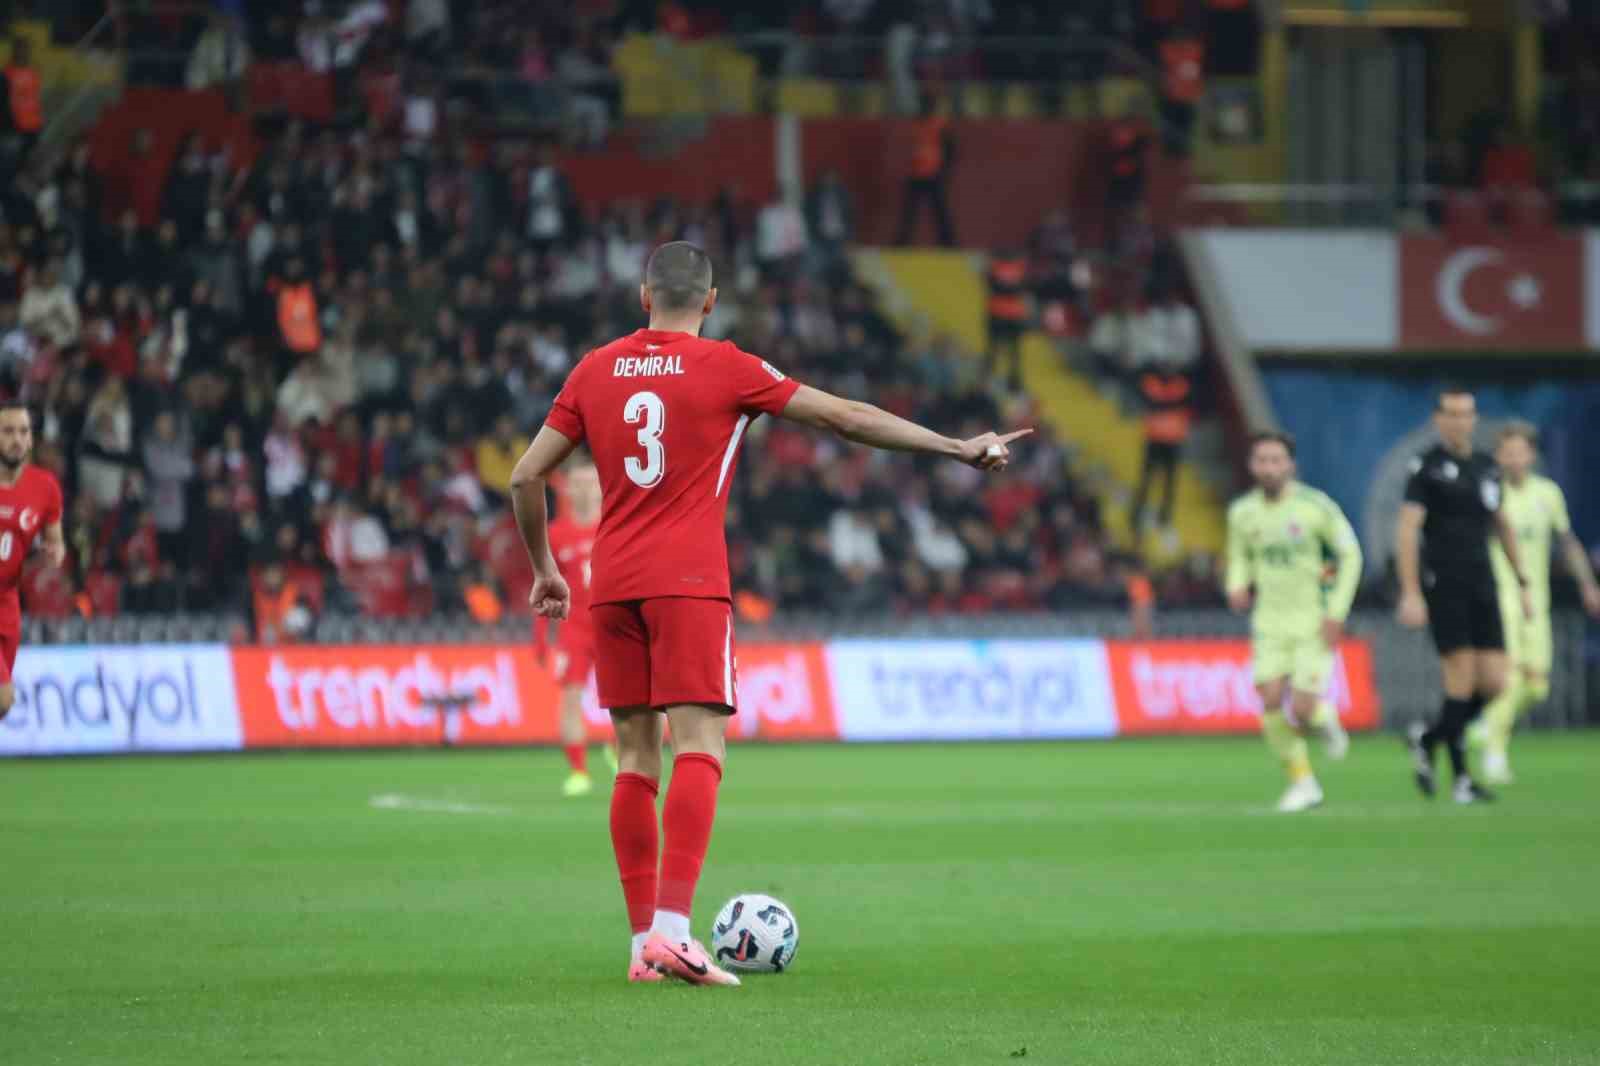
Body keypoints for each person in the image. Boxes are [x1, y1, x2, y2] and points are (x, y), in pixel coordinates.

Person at [508, 241, 1027, 987]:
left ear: (642, 296)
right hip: (687, 581)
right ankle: (677, 934)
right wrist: (954, 447)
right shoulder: (728, 367)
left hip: (611, 584)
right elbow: (845, 418)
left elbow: (527, 477)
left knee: (632, 758)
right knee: (702, 747)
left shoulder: (594, 368)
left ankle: (640, 947)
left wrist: (547, 572)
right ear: (711, 301)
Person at [1397, 388, 1532, 804]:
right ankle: (1461, 781)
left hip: (1484, 582)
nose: (1459, 421)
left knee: (1495, 682)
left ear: (1474, 419)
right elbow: (1407, 531)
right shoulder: (1426, 468)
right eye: (1451, 414)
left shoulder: (1486, 467)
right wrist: (1411, 592)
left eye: (1466, 414)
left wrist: (1522, 580)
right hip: (1445, 584)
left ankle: (1428, 737)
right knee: (1460, 678)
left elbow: (1502, 524)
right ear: (1439, 419)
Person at [1225, 431, 1361, 813]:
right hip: (1268, 622)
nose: (1268, 468)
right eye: (1261, 461)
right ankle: (1303, 783)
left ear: (1290, 466)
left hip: (1312, 622)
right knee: (1268, 701)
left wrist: (1337, 611)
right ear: (1252, 466)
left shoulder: (1316, 508)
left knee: (1301, 710)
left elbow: (1351, 556)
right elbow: (1238, 556)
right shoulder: (1242, 513)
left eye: (1276, 460)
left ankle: (1325, 718)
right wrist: (1236, 584)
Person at [1472, 422, 1600, 784]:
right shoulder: (1491, 494)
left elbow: (1568, 542)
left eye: (1519, 452)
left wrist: (1588, 586)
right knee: (1508, 676)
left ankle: (1486, 720)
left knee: (1537, 685)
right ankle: (1494, 754)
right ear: (1498, 457)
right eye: (1506, 452)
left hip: (1537, 598)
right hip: (1501, 596)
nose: (1513, 459)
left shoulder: (1548, 494)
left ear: (1531, 455)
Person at [534, 453, 616, 798]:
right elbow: (544, 587)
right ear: (567, 489)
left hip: (615, 624)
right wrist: (541, 638)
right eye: (578, 484)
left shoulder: (616, 525)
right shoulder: (555, 535)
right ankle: (579, 772)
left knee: (632, 701)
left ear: (601, 487)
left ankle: (620, 747)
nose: (584, 491)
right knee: (570, 699)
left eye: (590, 483)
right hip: (575, 628)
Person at [0, 402, 65, 721]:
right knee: (3, 697)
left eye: (23, 431)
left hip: (8, 600)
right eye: (8, 431)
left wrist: (54, 552)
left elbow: (56, 540)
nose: (16, 439)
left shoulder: (45, 487)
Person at [895, 96, 956, 246]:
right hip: (916, 173)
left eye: (926, 105)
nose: (924, 108)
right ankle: (902, 243)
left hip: (933, 174)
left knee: (938, 212)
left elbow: (951, 149)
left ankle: (948, 243)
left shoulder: (940, 124)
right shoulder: (916, 124)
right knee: (910, 211)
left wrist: (944, 169)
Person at [983, 247, 1028, 392]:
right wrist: (1011, 289)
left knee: (996, 346)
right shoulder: (1019, 269)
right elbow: (1019, 288)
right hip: (1011, 312)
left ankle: (992, 375)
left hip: (998, 311)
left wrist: (1005, 288)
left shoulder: (995, 267)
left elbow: (993, 286)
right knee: (1011, 349)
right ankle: (1012, 380)